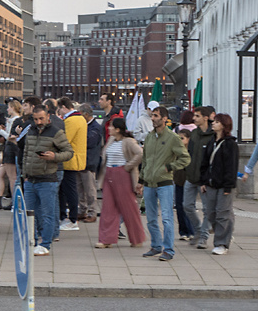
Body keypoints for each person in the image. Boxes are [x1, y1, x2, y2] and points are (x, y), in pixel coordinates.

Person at [16, 104, 74, 256]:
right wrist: (24, 174)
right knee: (29, 213)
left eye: (41, 118)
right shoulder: (31, 131)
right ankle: (32, 241)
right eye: (35, 119)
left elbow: (69, 152)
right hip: (30, 179)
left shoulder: (56, 132)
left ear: (48, 117)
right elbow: (26, 153)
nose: (39, 122)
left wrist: (54, 156)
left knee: (47, 213)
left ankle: (45, 244)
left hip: (48, 179)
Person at [138, 104, 190, 261]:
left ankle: (168, 249)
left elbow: (185, 158)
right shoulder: (149, 137)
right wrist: (141, 180)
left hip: (165, 183)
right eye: (152, 115)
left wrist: (170, 167)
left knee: (167, 218)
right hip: (149, 183)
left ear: (164, 119)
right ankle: (155, 246)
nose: (152, 118)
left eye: (156, 116)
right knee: (151, 218)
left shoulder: (173, 138)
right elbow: (145, 160)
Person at [96, 117, 145, 249]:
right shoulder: (111, 140)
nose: (109, 129)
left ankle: (137, 239)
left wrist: (128, 166)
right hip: (109, 174)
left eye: (112, 127)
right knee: (108, 207)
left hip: (123, 174)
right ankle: (106, 239)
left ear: (118, 129)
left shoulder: (128, 141)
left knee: (129, 207)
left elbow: (140, 153)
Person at [199, 113, 240, 254]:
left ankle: (222, 243)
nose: (213, 124)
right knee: (210, 213)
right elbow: (205, 163)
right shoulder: (211, 141)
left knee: (222, 213)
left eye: (216, 122)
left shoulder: (230, 144)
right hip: (210, 183)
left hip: (224, 185)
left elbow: (231, 167)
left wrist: (228, 185)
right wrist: (203, 180)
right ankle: (226, 234)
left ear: (223, 125)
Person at [179, 107, 215, 244]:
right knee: (186, 206)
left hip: (205, 179)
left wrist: (208, 177)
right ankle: (199, 229)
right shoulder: (194, 134)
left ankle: (204, 237)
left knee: (207, 209)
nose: (194, 118)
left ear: (205, 118)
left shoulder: (212, 135)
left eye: (197, 116)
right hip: (191, 176)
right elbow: (189, 153)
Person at [57, 98, 91, 231]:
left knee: (69, 190)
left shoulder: (71, 120)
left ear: (64, 107)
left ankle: (72, 219)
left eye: (59, 109)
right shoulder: (80, 118)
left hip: (69, 160)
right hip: (75, 158)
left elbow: (64, 139)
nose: (58, 112)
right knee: (68, 190)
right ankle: (68, 217)